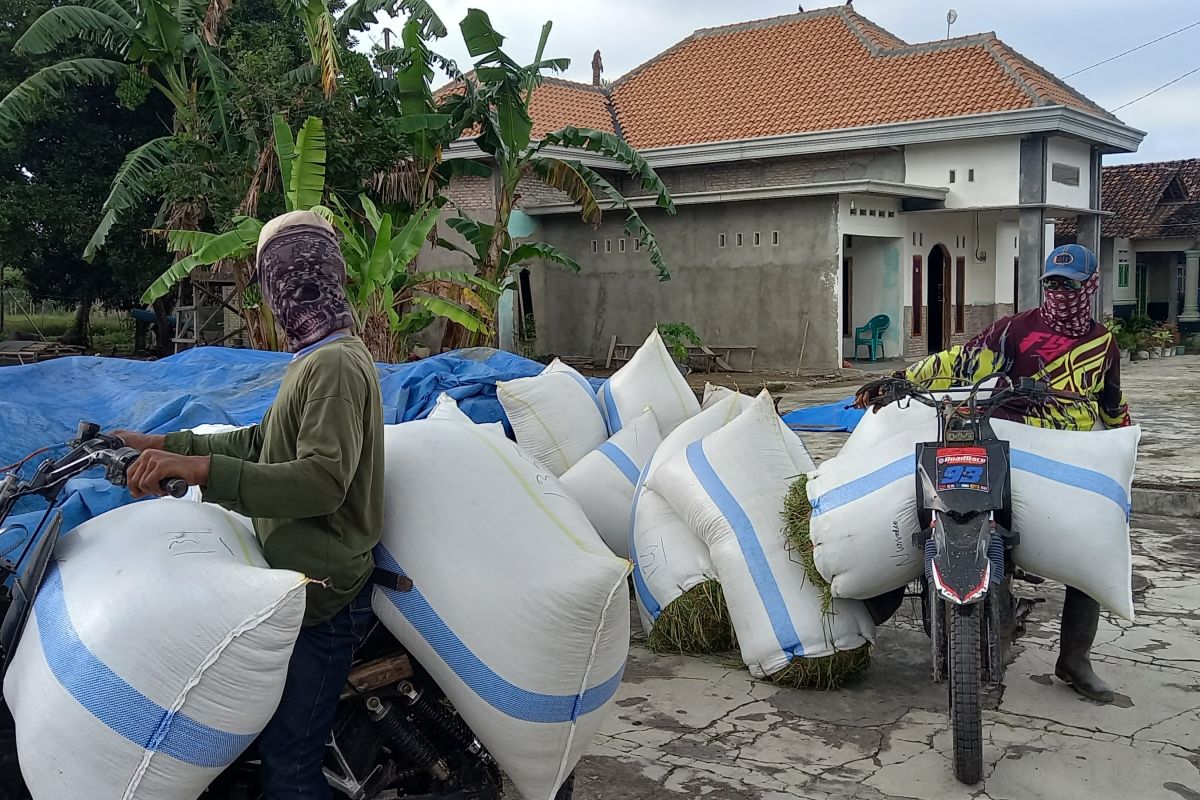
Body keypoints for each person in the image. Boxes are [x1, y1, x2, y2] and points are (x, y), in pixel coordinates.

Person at [117, 210, 385, 798]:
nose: (282, 293)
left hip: (324, 595)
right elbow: (263, 442)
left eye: (285, 278)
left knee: (289, 767)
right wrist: (164, 445)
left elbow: (322, 482)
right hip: (296, 576)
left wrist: (202, 472)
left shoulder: (336, 365)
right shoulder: (314, 358)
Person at [854, 243, 1128, 703]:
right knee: (991, 532)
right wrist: (902, 377)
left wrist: (1122, 449)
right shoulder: (1016, 330)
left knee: (1093, 544)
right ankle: (989, 648)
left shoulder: (1104, 344)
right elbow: (960, 361)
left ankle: (1075, 659)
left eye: (1070, 285)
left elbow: (1112, 402)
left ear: (1091, 286)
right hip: (1012, 446)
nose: (1060, 294)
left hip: (1071, 455)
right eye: (1052, 284)